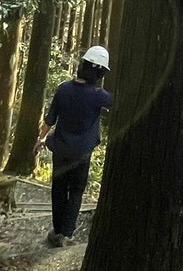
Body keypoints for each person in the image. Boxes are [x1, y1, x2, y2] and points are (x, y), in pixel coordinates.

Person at [38, 45, 113, 247]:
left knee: (59, 189)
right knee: (77, 191)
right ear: (97, 72)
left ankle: (57, 231)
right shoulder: (100, 96)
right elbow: (117, 101)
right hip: (82, 153)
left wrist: (41, 139)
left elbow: (50, 119)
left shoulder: (64, 89)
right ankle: (67, 234)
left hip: (60, 149)